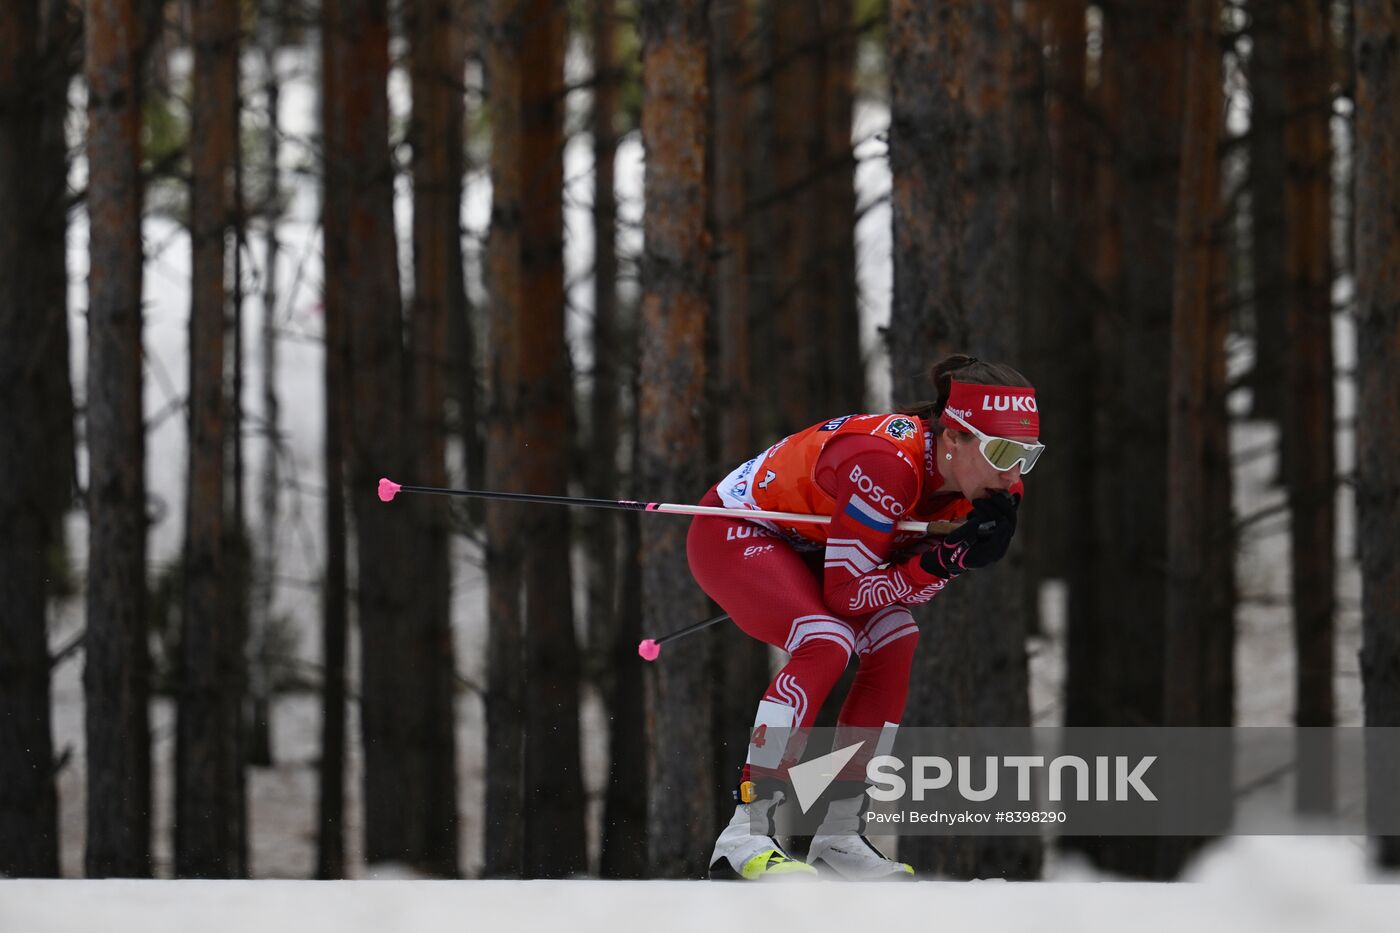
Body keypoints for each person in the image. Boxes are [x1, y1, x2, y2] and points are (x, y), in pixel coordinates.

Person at [687, 354, 1043, 880]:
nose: (1012, 473)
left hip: (816, 547)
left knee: (896, 637)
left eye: (1026, 455)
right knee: (826, 639)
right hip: (738, 531)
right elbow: (848, 594)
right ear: (953, 439)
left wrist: (949, 562)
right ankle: (744, 833)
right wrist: (942, 560)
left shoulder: (993, 487)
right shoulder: (886, 464)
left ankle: (838, 835)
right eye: (999, 451)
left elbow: (896, 586)